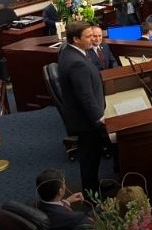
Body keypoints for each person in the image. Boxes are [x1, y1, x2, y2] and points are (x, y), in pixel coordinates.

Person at [58, 21, 106, 194]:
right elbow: (85, 96)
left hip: (83, 116)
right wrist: (100, 118)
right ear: (76, 39)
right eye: (88, 36)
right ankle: (91, 194)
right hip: (86, 120)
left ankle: (93, 187)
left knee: (90, 157)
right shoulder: (76, 62)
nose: (93, 39)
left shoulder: (69, 52)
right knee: (90, 157)